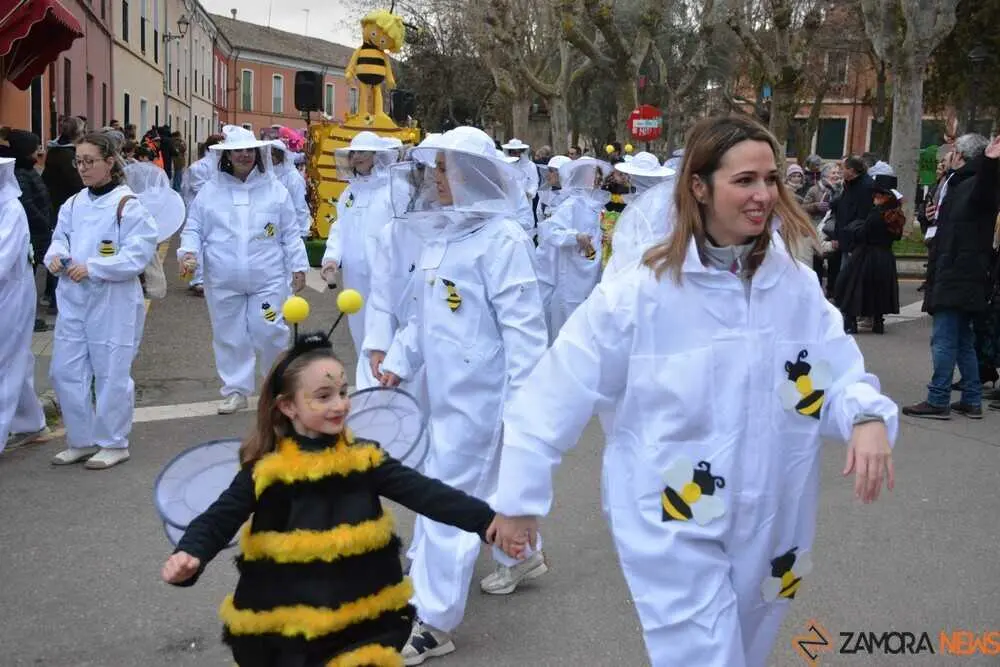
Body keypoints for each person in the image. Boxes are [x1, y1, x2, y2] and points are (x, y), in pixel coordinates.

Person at [490, 114, 898, 667]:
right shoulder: (641, 295)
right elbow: (554, 394)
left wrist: (866, 417)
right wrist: (518, 502)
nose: (763, 195)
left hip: (775, 517)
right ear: (699, 188)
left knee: (746, 651)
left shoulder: (793, 287)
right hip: (672, 516)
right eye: (745, 180)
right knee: (705, 656)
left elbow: (831, 374)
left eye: (771, 179)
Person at [162, 333, 522, 666]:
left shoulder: (365, 459)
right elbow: (218, 518)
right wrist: (190, 553)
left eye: (343, 392)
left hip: (364, 618)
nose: (340, 405)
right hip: (288, 622)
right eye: (323, 396)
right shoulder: (266, 472)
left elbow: (428, 494)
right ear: (288, 407)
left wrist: (488, 521)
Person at [377, 127, 549, 664]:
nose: (435, 179)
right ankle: (520, 553)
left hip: (482, 397)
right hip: (443, 392)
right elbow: (422, 314)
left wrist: (525, 409)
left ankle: (432, 620)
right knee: (477, 483)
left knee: (447, 498)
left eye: (445, 168)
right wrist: (398, 360)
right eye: (435, 169)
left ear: (471, 175)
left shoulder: (504, 241)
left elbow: (526, 334)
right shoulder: (443, 235)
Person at [44, 133, 158, 469]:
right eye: (78, 161)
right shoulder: (75, 203)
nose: (82, 168)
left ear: (110, 162)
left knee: (111, 372)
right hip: (74, 300)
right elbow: (59, 238)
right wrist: (56, 257)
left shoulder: (128, 205)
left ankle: (113, 441)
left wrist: (93, 267)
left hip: (113, 301)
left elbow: (137, 254)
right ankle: (80, 439)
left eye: (89, 161)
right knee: (66, 370)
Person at [178, 126, 308, 415]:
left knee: (270, 329)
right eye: (238, 151)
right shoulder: (211, 192)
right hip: (223, 280)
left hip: (269, 279)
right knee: (229, 335)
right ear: (227, 156)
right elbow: (194, 228)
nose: (244, 156)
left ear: (258, 154)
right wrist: (188, 253)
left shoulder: (275, 190)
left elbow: (290, 232)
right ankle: (235, 390)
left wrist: (299, 266)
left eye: (249, 150)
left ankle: (276, 387)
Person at [904, 134, 1000, 420]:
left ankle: (938, 398)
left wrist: (990, 162)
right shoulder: (958, 184)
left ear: (960, 155)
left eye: (951, 153)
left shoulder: (976, 182)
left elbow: (985, 192)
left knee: (944, 339)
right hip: (959, 272)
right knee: (962, 340)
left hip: (959, 273)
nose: (946, 157)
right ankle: (971, 399)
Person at [320, 132, 398, 389]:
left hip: (387, 274)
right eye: (354, 153)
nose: (358, 157)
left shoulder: (394, 190)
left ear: (377, 156)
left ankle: (389, 384)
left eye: (364, 152)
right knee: (360, 333)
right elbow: (340, 229)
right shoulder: (349, 193)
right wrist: (331, 258)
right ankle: (369, 391)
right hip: (355, 276)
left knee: (386, 330)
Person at [0, 157, 49, 453]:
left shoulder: (10, 210)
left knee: (6, 360)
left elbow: (2, 259)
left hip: (11, 296)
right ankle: (31, 421)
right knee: (13, 357)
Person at [541, 156, 608, 338]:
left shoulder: (599, 205)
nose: (597, 180)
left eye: (598, 175)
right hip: (572, 274)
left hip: (592, 271)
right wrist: (575, 237)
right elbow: (550, 231)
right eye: (593, 175)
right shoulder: (572, 204)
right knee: (570, 323)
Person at [833, 174, 904, 334]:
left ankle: (851, 322)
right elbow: (897, 236)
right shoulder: (896, 214)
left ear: (884, 196)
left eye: (878, 194)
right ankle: (878, 322)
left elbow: (864, 233)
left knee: (853, 286)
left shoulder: (877, 214)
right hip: (885, 256)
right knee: (879, 288)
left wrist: (855, 230)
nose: (874, 196)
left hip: (867, 254)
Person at [7, 130, 55, 332]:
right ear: (27, 151)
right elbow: (28, 205)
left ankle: (29, 315)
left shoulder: (27, 170)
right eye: (35, 149)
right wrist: (45, 222)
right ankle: (26, 317)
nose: (38, 152)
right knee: (26, 279)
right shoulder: (19, 174)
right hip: (34, 235)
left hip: (39, 233)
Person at [180, 133, 225, 297]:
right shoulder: (200, 167)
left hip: (209, 209)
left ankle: (201, 278)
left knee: (207, 244)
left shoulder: (219, 165)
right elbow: (198, 190)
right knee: (198, 243)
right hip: (201, 210)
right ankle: (197, 279)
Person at [827, 156, 874, 299]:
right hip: (845, 236)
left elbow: (862, 215)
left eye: (843, 168)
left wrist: (854, 236)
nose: (841, 171)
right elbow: (841, 211)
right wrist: (836, 235)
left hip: (855, 238)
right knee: (844, 274)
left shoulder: (865, 187)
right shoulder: (849, 184)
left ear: (852, 170)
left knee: (850, 275)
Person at [269, 136, 311, 237]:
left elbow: (299, 206)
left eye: (273, 154)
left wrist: (302, 232)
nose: (270, 157)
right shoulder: (267, 174)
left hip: (292, 230)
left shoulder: (293, 177)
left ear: (280, 156)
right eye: (268, 154)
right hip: (272, 229)